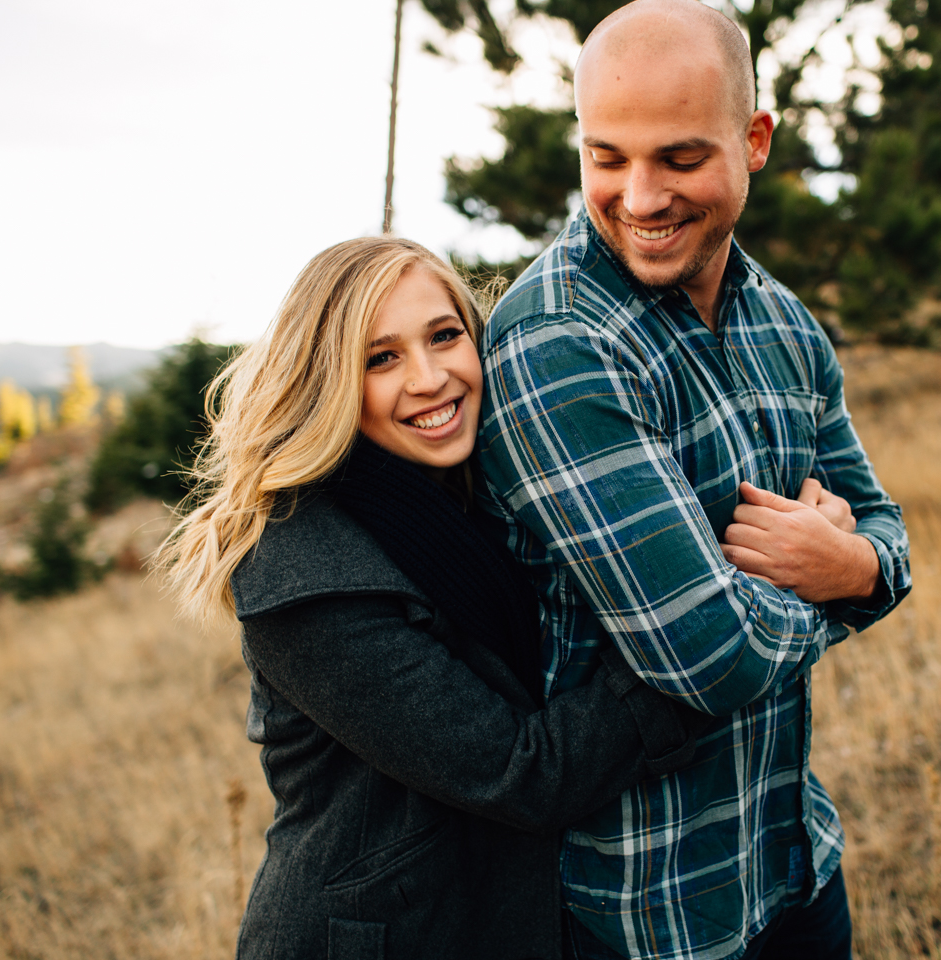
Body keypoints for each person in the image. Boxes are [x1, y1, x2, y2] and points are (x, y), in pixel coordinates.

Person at [476, 1, 913, 958]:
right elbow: (705, 659)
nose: (639, 197)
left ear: (753, 140)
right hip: (639, 911)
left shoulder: (786, 324)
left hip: (794, 862)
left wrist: (855, 564)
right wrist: (840, 576)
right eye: (606, 158)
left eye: (678, 159)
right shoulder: (558, 340)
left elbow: (883, 525)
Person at [157, 237, 719, 960]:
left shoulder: (476, 497)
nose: (429, 378)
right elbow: (523, 772)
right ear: (328, 382)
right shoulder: (305, 573)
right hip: (380, 937)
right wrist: (703, 635)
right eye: (380, 358)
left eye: (445, 336)